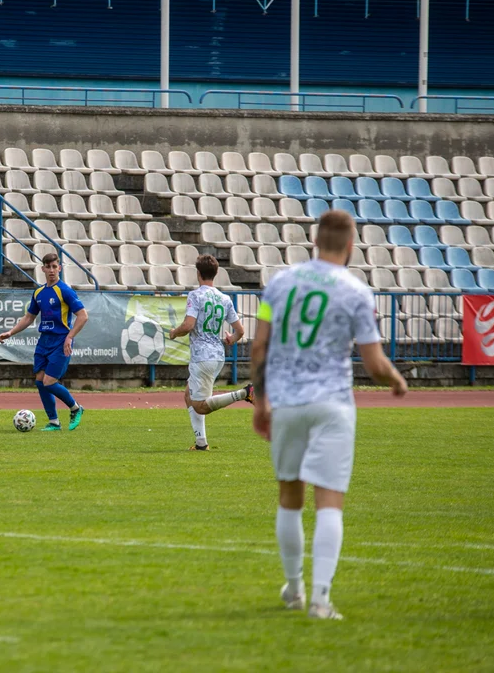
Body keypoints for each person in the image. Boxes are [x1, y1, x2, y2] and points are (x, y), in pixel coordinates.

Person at [250, 210, 407, 620]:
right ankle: (321, 599)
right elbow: (373, 362)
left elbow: (258, 346)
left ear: (314, 240)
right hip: (333, 404)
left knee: (289, 498)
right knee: (330, 503)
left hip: (286, 401)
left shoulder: (280, 283)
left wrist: (262, 400)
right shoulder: (356, 290)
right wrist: (395, 378)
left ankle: (294, 588)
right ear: (351, 245)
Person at [167, 254, 253, 451]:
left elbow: (189, 325)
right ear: (216, 274)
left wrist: (174, 333)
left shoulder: (195, 296)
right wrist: (231, 339)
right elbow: (240, 331)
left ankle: (244, 393)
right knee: (189, 394)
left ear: (198, 273)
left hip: (202, 356)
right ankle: (200, 443)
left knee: (200, 405)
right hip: (218, 355)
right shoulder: (224, 298)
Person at [0, 253, 89, 432]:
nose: (52, 270)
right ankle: (54, 421)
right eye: (48, 267)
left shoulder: (65, 291)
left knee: (49, 381)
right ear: (43, 269)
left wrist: (69, 337)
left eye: (55, 267)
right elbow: (29, 317)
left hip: (60, 341)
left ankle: (76, 408)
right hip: (44, 341)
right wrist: (10, 332)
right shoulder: (39, 292)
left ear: (59, 268)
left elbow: (83, 316)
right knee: (40, 381)